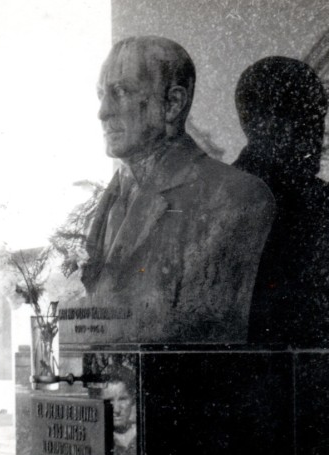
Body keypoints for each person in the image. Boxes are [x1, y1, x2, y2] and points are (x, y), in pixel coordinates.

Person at [81, 36, 275, 341]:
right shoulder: (105, 203)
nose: (103, 112)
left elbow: (203, 336)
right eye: (101, 94)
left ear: (172, 104)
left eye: (121, 92)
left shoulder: (235, 197)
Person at [233, 56, 329, 346]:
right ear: (262, 125)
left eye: (319, 122)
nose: (318, 137)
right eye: (307, 121)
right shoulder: (328, 205)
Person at [98, 364, 138, 455]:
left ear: (132, 400)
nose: (116, 409)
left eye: (122, 399)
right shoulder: (98, 442)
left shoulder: (142, 437)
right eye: (109, 401)